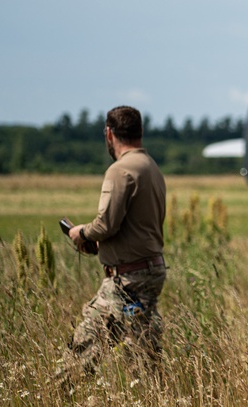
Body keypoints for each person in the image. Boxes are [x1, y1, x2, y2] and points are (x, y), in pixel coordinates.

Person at [57, 106, 167, 389]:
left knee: (82, 349)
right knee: (143, 355)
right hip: (151, 272)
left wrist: (80, 232)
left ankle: (56, 400)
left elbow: (106, 225)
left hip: (126, 280)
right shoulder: (152, 167)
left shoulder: (120, 171)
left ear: (109, 133)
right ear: (140, 132)